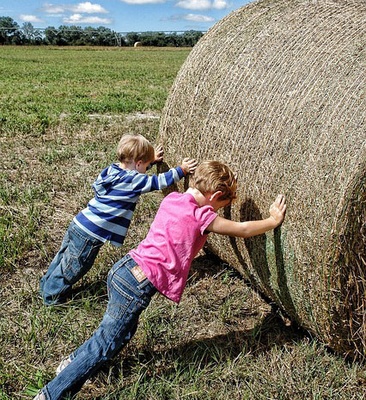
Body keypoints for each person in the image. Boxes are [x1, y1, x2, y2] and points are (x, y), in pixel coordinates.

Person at [34, 160, 286, 400]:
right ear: (216, 196)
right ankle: (51, 393)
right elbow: (241, 229)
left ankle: (73, 361)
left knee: (121, 333)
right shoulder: (202, 217)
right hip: (137, 285)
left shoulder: (173, 199)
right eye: (225, 202)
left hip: (124, 269)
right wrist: (272, 220)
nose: (222, 208)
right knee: (105, 344)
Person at [39, 133, 197, 305]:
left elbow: (135, 173)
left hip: (80, 223)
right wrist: (182, 170)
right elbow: (158, 182)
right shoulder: (134, 180)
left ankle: (46, 285)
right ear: (138, 164)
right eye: (145, 165)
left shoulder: (113, 169)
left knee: (63, 257)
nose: (146, 169)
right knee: (74, 266)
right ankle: (51, 298)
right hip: (91, 233)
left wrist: (150, 161)